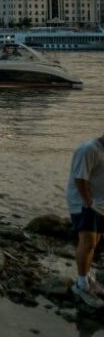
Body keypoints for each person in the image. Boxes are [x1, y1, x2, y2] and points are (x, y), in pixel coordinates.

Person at [66, 131, 104, 305]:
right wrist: (88, 202)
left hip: (100, 204)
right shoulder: (90, 149)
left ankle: (87, 277)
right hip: (84, 203)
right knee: (87, 242)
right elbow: (80, 179)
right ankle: (81, 283)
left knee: (95, 243)